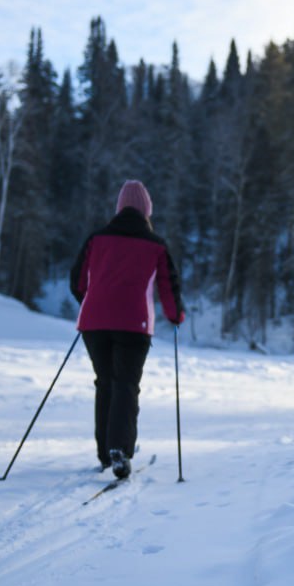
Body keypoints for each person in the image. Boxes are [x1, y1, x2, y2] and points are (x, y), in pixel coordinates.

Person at [69, 180, 185, 479]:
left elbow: (78, 281)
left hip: (94, 323)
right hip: (134, 324)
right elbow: (168, 286)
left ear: (119, 209)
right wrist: (175, 316)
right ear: (147, 211)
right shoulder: (156, 245)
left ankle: (105, 454)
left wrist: (94, 304)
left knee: (105, 382)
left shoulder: (97, 238)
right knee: (125, 386)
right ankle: (119, 449)